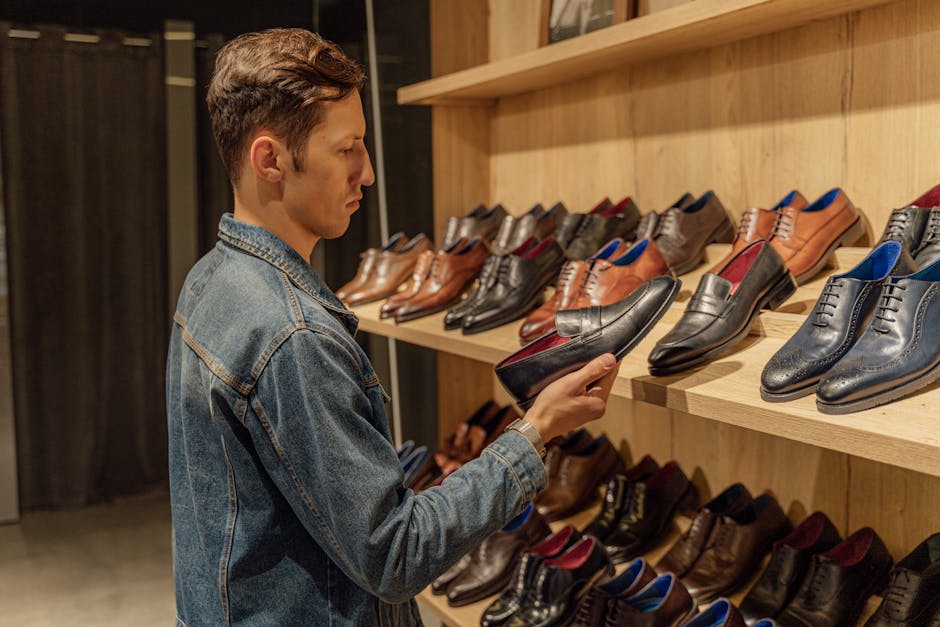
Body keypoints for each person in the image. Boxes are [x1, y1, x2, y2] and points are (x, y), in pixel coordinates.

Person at [166, 28, 621, 626]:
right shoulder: (294, 337)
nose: (368, 172)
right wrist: (536, 430)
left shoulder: (209, 280)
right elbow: (394, 554)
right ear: (270, 159)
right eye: (346, 149)